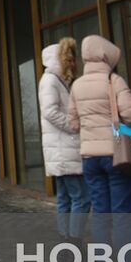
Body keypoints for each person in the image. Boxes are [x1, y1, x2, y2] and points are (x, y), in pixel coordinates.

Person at [67, 35, 131, 262]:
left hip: (90, 159)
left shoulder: (77, 86)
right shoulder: (113, 81)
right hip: (116, 156)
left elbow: (73, 122)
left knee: (101, 216)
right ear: (105, 56)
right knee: (122, 216)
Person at [38, 38, 87, 244]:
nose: (73, 62)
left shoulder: (56, 80)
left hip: (60, 150)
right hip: (64, 149)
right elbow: (49, 111)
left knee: (65, 199)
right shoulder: (50, 81)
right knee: (82, 198)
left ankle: (66, 243)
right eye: (70, 58)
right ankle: (74, 242)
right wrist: (73, 125)